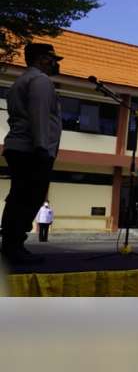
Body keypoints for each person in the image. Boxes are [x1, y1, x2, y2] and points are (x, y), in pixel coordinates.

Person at [1, 43, 63, 265]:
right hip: (32, 148)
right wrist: (41, 148)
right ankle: (13, 245)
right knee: (29, 197)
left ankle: (12, 245)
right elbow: (39, 115)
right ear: (40, 59)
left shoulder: (21, 81)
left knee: (19, 196)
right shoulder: (40, 81)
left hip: (20, 147)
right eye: (51, 58)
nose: (55, 63)